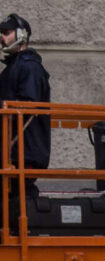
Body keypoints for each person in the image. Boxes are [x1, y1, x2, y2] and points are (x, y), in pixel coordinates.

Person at [0, 13, 49, 174]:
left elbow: (26, 106)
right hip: (14, 152)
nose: (2, 37)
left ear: (22, 35)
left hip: (24, 153)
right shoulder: (14, 67)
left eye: (6, 33)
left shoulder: (29, 67)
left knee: (18, 195)